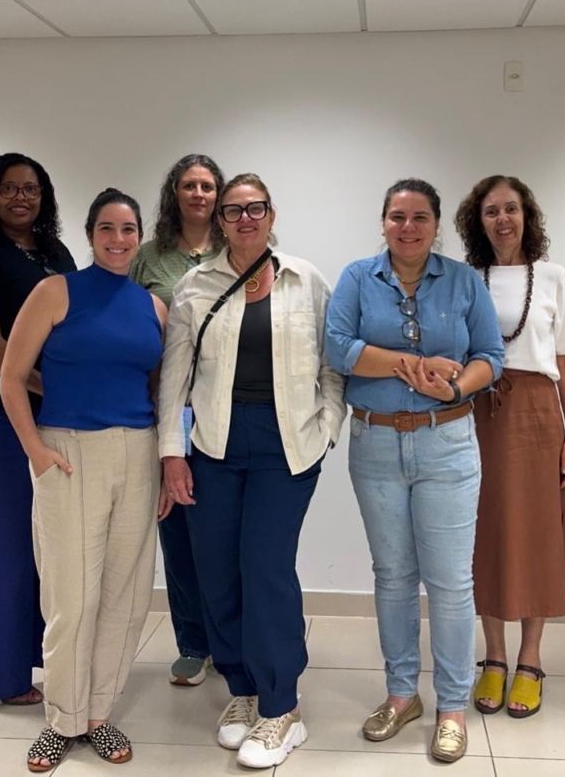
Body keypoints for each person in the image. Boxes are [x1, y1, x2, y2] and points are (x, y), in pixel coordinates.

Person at [158, 173, 345, 770]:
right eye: (233, 210)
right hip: (213, 444)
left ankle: (282, 705)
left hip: (287, 446)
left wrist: (328, 427)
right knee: (217, 571)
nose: (245, 219)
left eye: (255, 208)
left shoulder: (305, 280)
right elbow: (175, 377)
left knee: (265, 569)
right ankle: (241, 688)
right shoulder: (195, 286)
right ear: (219, 220)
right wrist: (171, 452)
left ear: (271, 215)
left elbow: (332, 364)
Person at [325, 178, 504, 764]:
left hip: (446, 443)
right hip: (374, 443)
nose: (408, 227)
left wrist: (453, 384)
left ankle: (451, 707)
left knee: (450, 582)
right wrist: (414, 364)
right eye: (397, 217)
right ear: (383, 223)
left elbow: (490, 358)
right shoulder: (358, 278)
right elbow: (338, 347)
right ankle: (402, 694)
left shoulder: (464, 281)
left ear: (436, 225)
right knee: (394, 576)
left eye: (420, 217)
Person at [0, 188, 170, 771]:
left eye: (128, 230)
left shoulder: (153, 308)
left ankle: (98, 715)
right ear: (90, 234)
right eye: (106, 229)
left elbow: (158, 390)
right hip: (68, 453)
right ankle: (61, 720)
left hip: (137, 454)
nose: (118, 240)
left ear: (139, 236)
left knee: (125, 596)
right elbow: (11, 376)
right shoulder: (55, 291)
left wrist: (163, 462)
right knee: (71, 597)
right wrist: (36, 451)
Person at [454, 175, 565, 719]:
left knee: (536, 532)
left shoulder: (553, 277)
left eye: (511, 208)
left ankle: (530, 658)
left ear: (527, 215)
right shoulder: (464, 279)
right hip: (477, 411)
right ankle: (494, 656)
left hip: (536, 413)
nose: (502, 220)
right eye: (491, 211)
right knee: (481, 530)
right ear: (477, 222)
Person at [0, 153, 76, 707]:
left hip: (45, 410)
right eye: (9, 189)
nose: (21, 198)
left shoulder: (54, 253)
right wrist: (52, 386)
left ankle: (33, 657)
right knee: (7, 542)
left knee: (41, 541)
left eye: (31, 189)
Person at [130, 153, 225, 687]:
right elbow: (129, 319)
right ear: (175, 193)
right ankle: (193, 643)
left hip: (227, 406)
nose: (199, 194)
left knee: (227, 529)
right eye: (189, 185)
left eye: (207, 186)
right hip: (166, 406)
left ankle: (231, 638)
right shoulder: (149, 257)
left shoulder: (242, 250)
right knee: (179, 527)